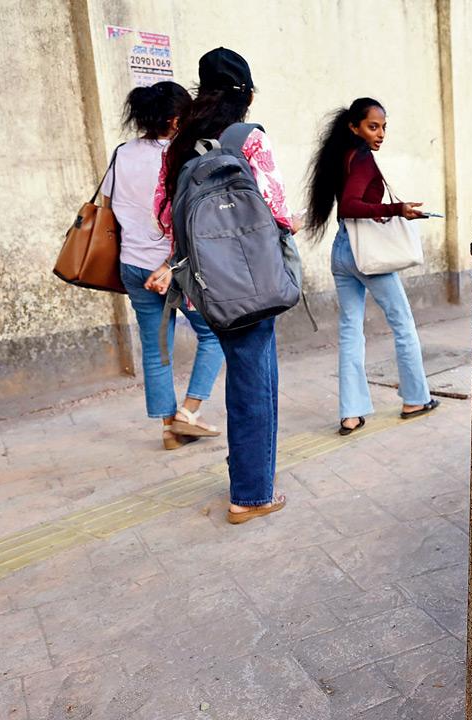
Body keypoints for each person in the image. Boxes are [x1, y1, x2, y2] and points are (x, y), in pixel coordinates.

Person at [154, 48, 298, 524]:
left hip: (201, 282)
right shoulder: (249, 139)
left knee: (246, 373)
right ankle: (251, 494)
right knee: (255, 382)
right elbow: (276, 210)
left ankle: (252, 478)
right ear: (248, 92)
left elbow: (162, 215)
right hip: (252, 279)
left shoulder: (178, 144)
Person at [304, 97, 438, 437]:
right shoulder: (362, 158)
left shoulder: (339, 156)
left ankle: (350, 413)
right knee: (403, 322)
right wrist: (398, 209)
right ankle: (415, 399)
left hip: (342, 251)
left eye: (383, 127)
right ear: (354, 127)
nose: (380, 134)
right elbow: (350, 206)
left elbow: (347, 205)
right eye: (372, 127)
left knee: (350, 329)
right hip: (368, 255)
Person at [100, 81, 223, 451]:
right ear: (174, 119)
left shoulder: (122, 153)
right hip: (175, 268)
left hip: (132, 266)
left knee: (157, 350)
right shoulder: (183, 155)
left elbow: (108, 207)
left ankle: (169, 430)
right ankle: (188, 413)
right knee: (215, 334)